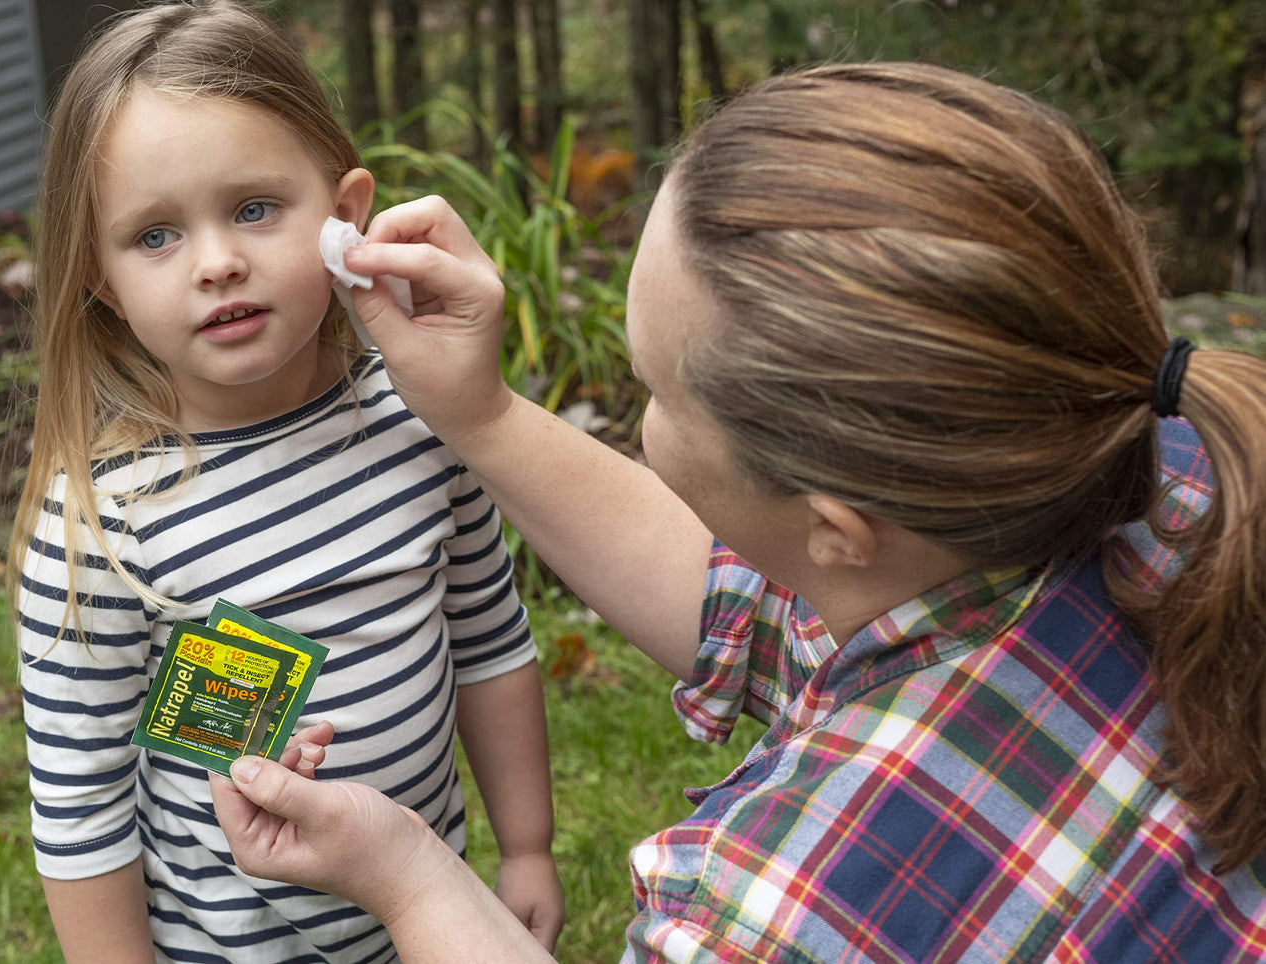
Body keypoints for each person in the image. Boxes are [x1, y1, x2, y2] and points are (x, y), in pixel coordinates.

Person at [209, 62, 1266, 962]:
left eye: (656, 393)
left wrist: (407, 878)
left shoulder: (778, 913)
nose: (640, 414)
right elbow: (755, 607)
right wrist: (480, 414)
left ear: (837, 530)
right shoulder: (1157, 463)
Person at [6, 2, 563, 961]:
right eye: (153, 237)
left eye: (254, 209)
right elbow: (81, 803)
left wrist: (527, 847)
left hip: (430, 919)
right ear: (98, 277)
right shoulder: (104, 522)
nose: (218, 262)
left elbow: (488, 639)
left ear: (344, 217)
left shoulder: (419, 415)